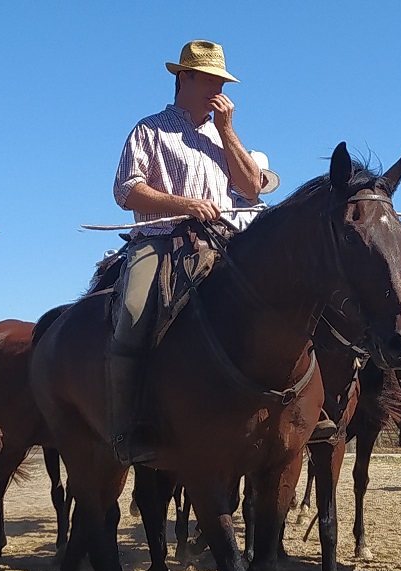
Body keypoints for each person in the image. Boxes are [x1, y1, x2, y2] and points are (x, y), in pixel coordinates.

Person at [109, 39, 263, 464]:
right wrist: (185, 205)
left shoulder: (221, 134)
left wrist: (229, 130)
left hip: (221, 241)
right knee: (134, 313)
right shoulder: (150, 128)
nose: (221, 87)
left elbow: (251, 187)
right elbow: (126, 190)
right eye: (212, 78)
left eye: (223, 79)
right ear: (185, 78)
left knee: (278, 297)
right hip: (159, 241)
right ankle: (126, 429)